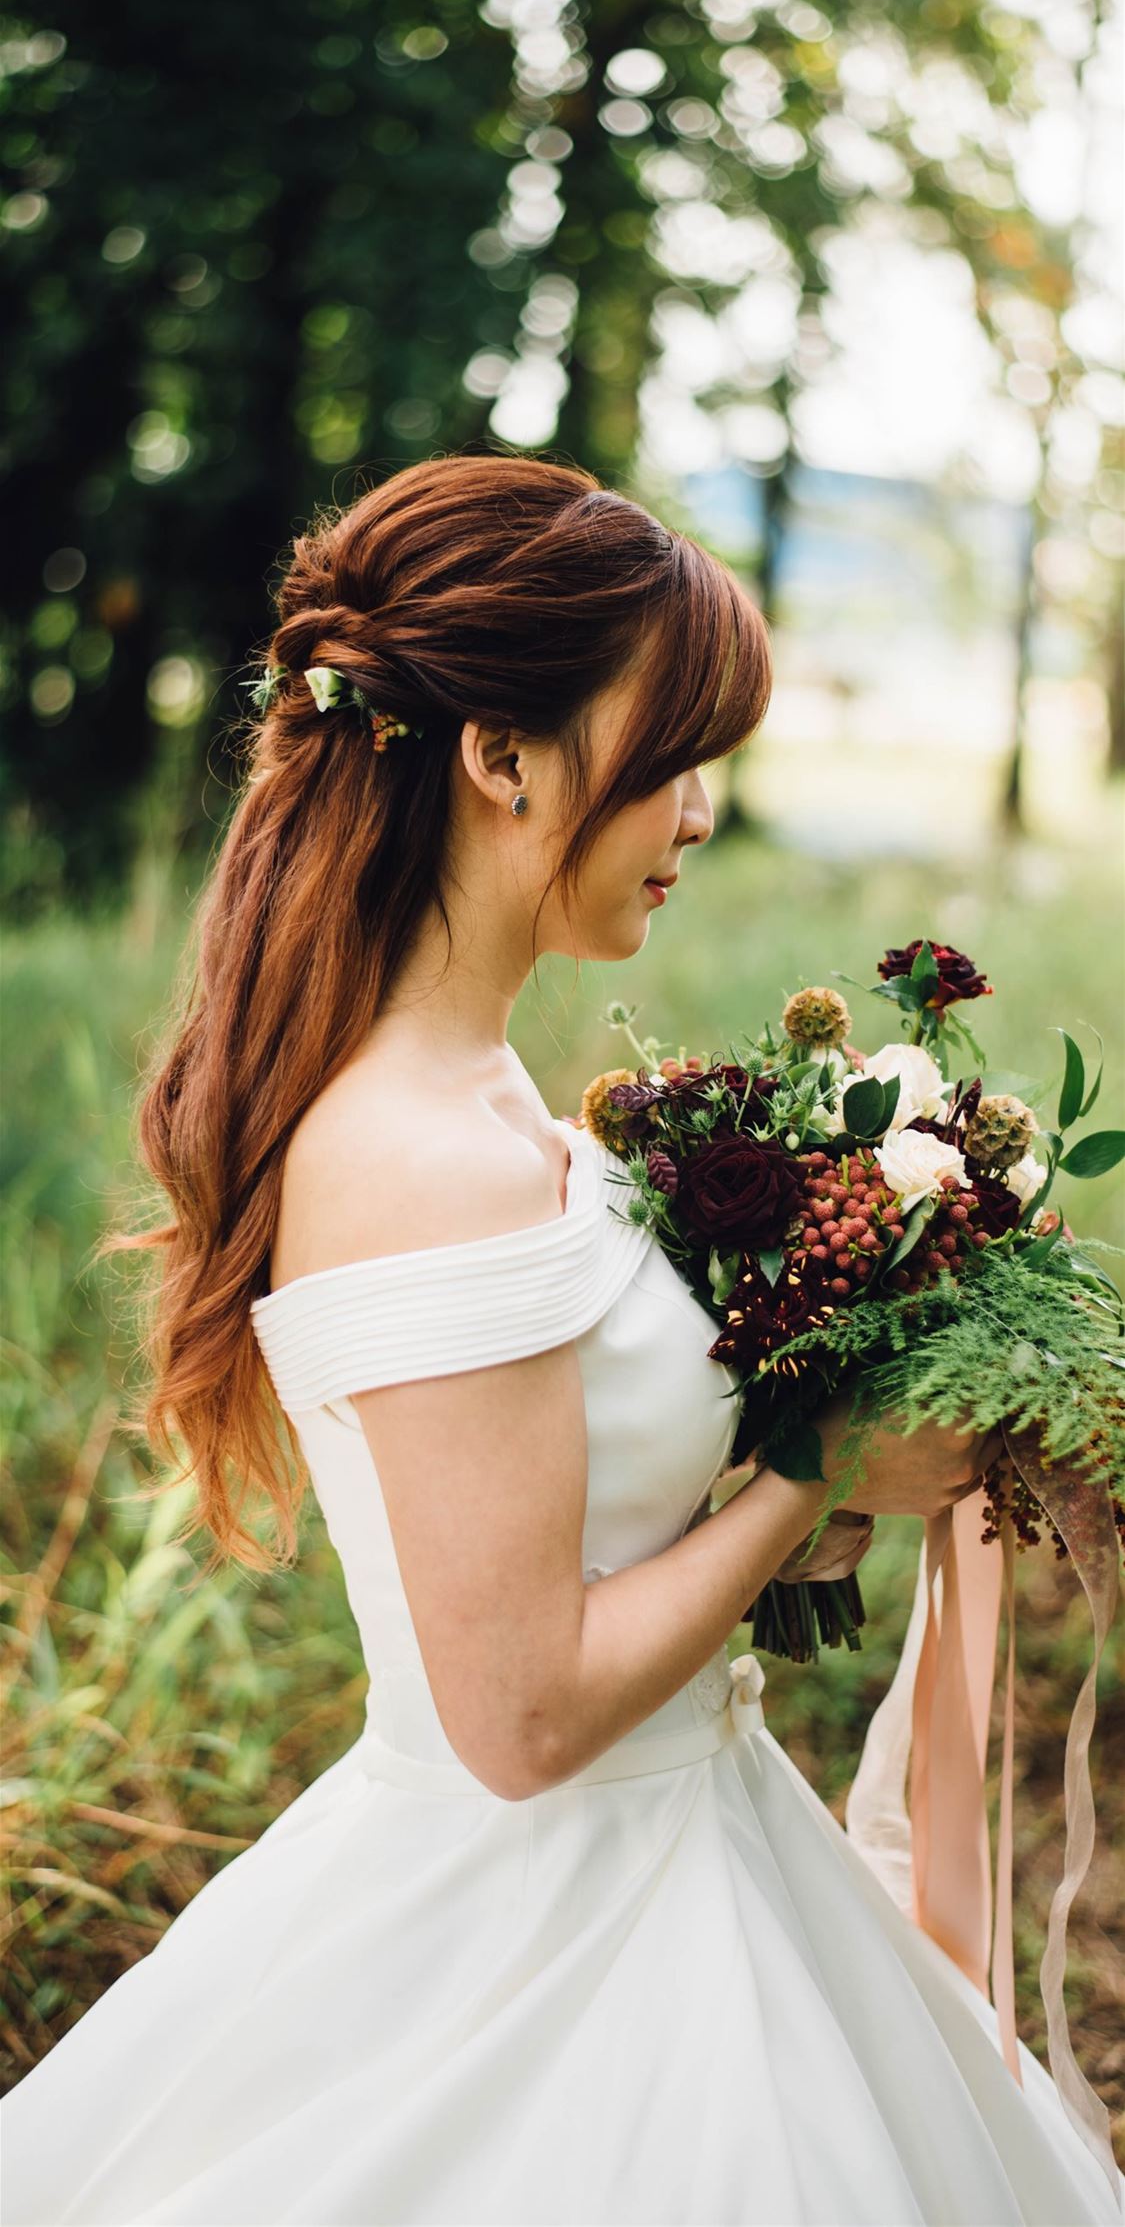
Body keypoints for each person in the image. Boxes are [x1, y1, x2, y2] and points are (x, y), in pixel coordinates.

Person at [2, 453, 1121, 2227]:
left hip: (697, 1834)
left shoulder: (494, 1092)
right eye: (668, 758)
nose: (698, 816)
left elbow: (591, 1525)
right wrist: (816, 1459)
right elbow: (522, 1719)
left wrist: (836, 1448)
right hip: (552, 1924)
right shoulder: (419, 1155)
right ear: (500, 758)